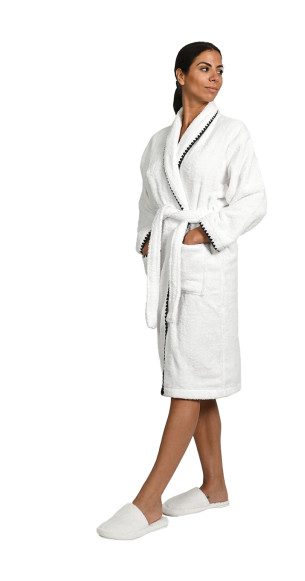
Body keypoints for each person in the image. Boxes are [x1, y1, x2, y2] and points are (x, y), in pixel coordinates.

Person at [97, 41, 267, 540]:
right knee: (196, 380)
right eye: (204, 68)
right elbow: (148, 203)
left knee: (186, 384)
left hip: (206, 270)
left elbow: (254, 199)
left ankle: (149, 501)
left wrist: (204, 231)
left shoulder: (232, 133)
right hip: (171, 270)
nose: (215, 77)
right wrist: (149, 240)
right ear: (180, 75)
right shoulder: (157, 142)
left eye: (220, 70)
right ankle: (214, 486)